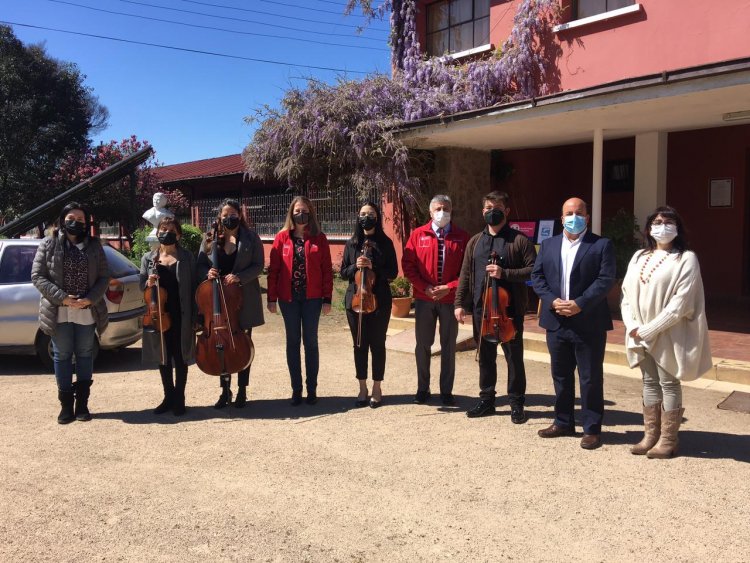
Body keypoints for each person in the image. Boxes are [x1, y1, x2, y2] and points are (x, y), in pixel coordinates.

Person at [621, 206, 712, 458]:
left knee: (669, 383)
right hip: (640, 332)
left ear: (677, 227)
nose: (663, 225)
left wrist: (650, 329)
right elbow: (627, 295)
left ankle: (669, 439)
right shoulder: (639, 256)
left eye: (668, 221)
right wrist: (633, 326)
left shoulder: (686, 258)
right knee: (649, 382)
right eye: (657, 221)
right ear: (649, 228)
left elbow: (681, 304)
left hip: (668, 332)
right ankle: (650, 435)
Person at [531, 197, 616, 450]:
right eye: (569, 212)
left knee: (590, 378)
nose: (574, 217)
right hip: (556, 321)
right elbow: (537, 277)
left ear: (587, 217)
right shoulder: (548, 245)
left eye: (579, 212)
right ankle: (563, 421)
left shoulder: (601, 245)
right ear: (561, 218)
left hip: (588, 321)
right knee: (561, 375)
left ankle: (591, 429)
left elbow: (605, 279)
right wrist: (552, 301)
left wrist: (580, 303)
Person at [454, 191, 537, 422]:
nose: (492, 211)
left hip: (509, 311)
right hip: (482, 311)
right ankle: (487, 399)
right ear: (483, 211)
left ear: (507, 211)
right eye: (488, 207)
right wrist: (460, 303)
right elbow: (465, 275)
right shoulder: (475, 242)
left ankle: (516, 403)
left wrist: (506, 273)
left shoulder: (519, 241)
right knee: (486, 357)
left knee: (514, 359)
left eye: (497, 207)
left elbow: (534, 270)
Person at [31, 202, 110, 424]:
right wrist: (63, 297)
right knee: (62, 355)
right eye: (71, 218)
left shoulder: (95, 246)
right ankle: (66, 406)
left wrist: (90, 298)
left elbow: (104, 277)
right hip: (59, 311)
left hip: (86, 310)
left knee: (85, 354)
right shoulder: (48, 244)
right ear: (62, 220)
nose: (76, 223)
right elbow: (37, 276)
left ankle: (82, 404)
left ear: (87, 224)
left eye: (81, 220)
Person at [197, 199, 265, 408]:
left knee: (242, 345)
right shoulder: (209, 239)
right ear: (219, 218)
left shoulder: (251, 238)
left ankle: (242, 391)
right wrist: (206, 273)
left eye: (232, 214)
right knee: (220, 346)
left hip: (241, 301)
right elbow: (199, 265)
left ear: (239, 215)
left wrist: (239, 277)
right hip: (217, 303)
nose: (229, 218)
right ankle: (225, 391)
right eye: (225, 215)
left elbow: (258, 266)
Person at [402, 194, 469, 405]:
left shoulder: (462, 237)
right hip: (424, 299)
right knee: (423, 345)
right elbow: (408, 266)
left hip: (449, 301)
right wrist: (425, 287)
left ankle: (446, 391)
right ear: (431, 212)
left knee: (448, 346)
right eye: (439, 208)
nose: (443, 212)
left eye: (447, 208)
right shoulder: (417, 235)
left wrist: (448, 288)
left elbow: (467, 272)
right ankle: (423, 389)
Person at [267, 196, 333, 406]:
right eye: (297, 211)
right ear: (291, 213)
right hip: (289, 300)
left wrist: (327, 299)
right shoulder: (281, 238)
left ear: (310, 213)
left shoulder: (319, 238)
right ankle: (296, 389)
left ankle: (311, 388)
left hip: (312, 299)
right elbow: (274, 270)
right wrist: (271, 298)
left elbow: (326, 271)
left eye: (304, 210)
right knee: (292, 343)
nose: (300, 214)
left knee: (311, 343)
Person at [340, 202, 398, 408]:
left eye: (371, 214)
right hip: (355, 301)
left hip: (379, 300)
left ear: (377, 217)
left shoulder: (385, 243)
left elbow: (392, 272)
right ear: (358, 217)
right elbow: (343, 273)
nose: (367, 217)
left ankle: (377, 387)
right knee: (359, 344)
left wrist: (374, 267)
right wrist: (354, 266)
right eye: (363, 214)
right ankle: (362, 387)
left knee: (377, 344)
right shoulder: (352, 243)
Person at [139, 217, 197, 416]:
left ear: (178, 235)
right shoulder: (148, 258)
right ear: (158, 233)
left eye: (172, 230)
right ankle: (168, 396)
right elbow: (141, 287)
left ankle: (179, 398)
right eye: (163, 229)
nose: (167, 232)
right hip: (159, 314)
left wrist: (196, 316)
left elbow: (195, 286)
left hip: (182, 312)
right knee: (163, 357)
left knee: (181, 357)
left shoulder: (187, 257)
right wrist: (148, 281)